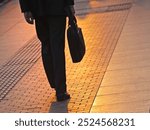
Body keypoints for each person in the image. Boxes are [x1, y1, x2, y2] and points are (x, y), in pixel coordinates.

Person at [19, 0, 75, 101]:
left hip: (38, 9)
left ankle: (55, 82)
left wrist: (26, 9)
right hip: (57, 8)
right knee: (57, 47)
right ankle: (60, 89)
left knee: (46, 46)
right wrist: (69, 4)